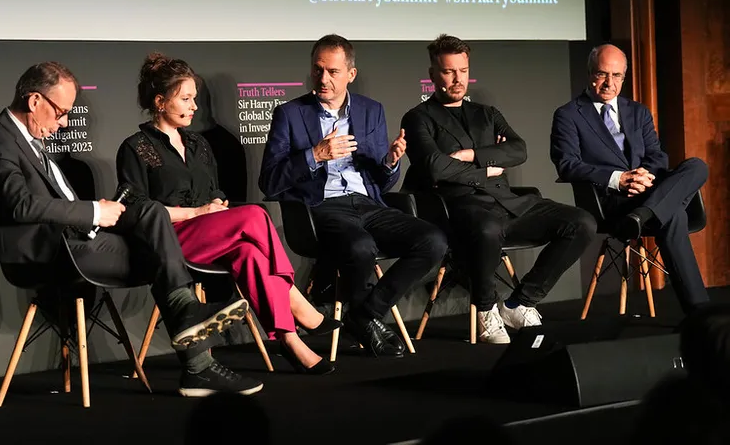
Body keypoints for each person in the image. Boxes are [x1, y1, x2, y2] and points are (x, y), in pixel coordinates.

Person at [0, 61, 262, 397]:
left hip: (74, 238)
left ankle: (189, 323)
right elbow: (19, 205)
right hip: (48, 251)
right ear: (35, 101)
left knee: (150, 212)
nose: (64, 123)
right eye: (61, 112)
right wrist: (95, 212)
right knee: (159, 252)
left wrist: (103, 211)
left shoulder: (24, 138)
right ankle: (196, 358)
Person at [116, 53, 336, 376]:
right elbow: (137, 208)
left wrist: (216, 205)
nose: (194, 106)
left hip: (209, 234)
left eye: (195, 98)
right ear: (160, 102)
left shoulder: (199, 144)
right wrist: (196, 212)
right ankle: (295, 299)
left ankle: (290, 341)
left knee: (250, 253)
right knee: (255, 215)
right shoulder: (136, 147)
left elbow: (214, 191)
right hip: (168, 241)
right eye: (186, 99)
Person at [259, 34, 447, 358]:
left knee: (434, 241)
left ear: (351, 74)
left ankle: (364, 315)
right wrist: (314, 155)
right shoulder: (290, 114)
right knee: (360, 247)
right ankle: (366, 320)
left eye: (333, 71)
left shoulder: (371, 111)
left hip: (368, 203)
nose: (323, 79)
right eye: (317, 70)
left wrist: (390, 162)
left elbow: (382, 183)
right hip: (322, 207)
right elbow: (269, 182)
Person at [401, 34, 596, 344]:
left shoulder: (486, 113)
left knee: (581, 222)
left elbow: (519, 150)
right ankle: (485, 309)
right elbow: (435, 167)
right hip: (460, 207)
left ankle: (520, 303)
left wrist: (470, 156)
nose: (458, 79)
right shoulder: (418, 118)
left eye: (463, 71)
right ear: (433, 74)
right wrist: (488, 168)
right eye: (449, 71)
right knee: (487, 228)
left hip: (507, 202)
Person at [551, 43, 710, 315]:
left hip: (648, 192)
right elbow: (567, 165)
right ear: (589, 73)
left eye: (616, 76)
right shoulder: (568, 115)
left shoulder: (638, 111)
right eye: (602, 74)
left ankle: (644, 214)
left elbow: (656, 156)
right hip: (612, 201)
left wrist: (643, 175)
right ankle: (700, 313)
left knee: (697, 166)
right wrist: (619, 178)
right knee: (673, 215)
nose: (609, 83)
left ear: (624, 78)